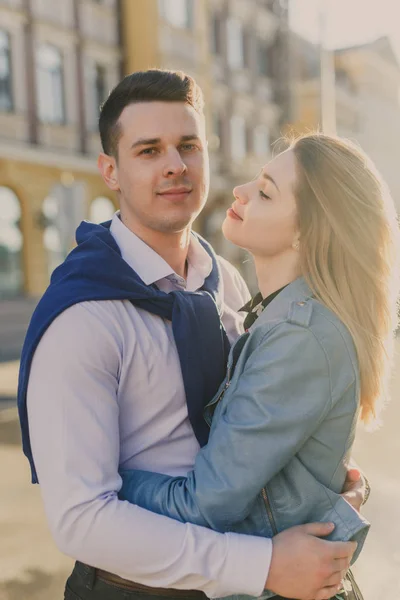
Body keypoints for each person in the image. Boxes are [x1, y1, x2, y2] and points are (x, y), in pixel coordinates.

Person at [18, 70, 365, 600]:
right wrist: (261, 566)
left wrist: (319, 485)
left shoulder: (222, 281)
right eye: (149, 151)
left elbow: (249, 433)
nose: (175, 165)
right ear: (110, 171)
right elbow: (81, 520)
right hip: (136, 589)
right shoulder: (82, 316)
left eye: (188, 146)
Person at [118, 132, 400, 598]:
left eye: (266, 192)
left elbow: (205, 504)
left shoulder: (301, 337)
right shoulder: (277, 316)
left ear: (309, 231)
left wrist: (104, 480)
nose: (241, 192)